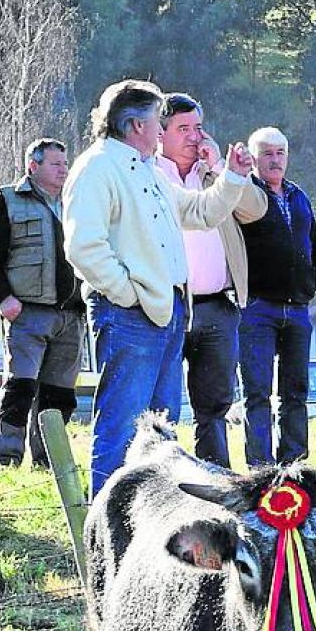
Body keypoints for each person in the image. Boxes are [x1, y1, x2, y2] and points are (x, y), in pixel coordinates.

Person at [63, 79, 256, 494]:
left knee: (159, 429)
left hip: (166, 311)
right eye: (157, 120)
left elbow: (201, 211)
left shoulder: (146, 170)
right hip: (130, 313)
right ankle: (107, 527)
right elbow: (83, 246)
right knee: (123, 423)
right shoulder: (97, 167)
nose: (162, 128)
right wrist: (128, 293)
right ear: (135, 126)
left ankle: (151, 520)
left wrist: (233, 178)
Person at [156, 93, 268, 467]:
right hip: (166, 303)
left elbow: (256, 209)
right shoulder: (148, 175)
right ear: (159, 133)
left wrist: (222, 166)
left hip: (218, 305)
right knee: (162, 403)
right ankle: (164, 477)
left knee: (215, 402)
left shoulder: (215, 174)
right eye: (183, 128)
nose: (194, 136)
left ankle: (216, 476)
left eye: (198, 127)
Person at [0, 137, 80, 467]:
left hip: (70, 317)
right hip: (27, 313)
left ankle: (49, 462)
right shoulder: (7, 200)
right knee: (20, 388)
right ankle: (5, 457)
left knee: (59, 394)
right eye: (55, 164)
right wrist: (3, 299)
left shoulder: (77, 202)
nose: (63, 170)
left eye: (65, 164)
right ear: (32, 167)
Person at [236, 126, 316, 467]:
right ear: (253, 158)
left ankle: (295, 468)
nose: (275, 160)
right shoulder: (243, 194)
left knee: (296, 392)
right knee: (257, 393)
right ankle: (259, 471)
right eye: (267, 153)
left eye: (280, 153)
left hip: (297, 309)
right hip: (256, 307)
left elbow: (315, 248)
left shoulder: (299, 196)